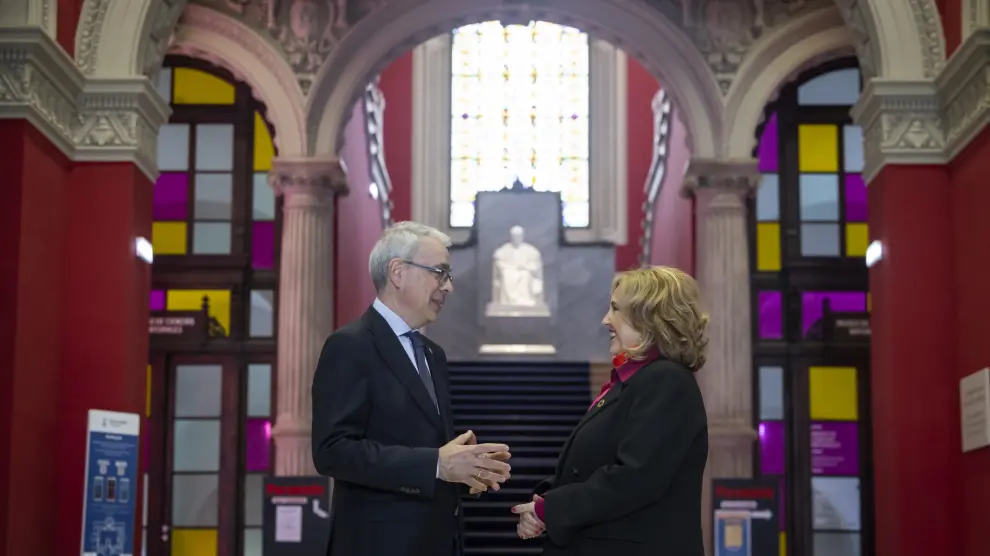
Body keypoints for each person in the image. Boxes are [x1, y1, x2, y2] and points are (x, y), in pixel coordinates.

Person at [312, 221, 512, 556]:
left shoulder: (433, 355)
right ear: (398, 272)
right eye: (439, 272)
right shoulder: (350, 346)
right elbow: (332, 451)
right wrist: (436, 464)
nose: (448, 287)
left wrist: (466, 468)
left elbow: (429, 448)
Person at [511, 266, 710, 556]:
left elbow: (635, 478)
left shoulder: (667, 381)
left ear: (649, 317)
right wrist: (545, 503)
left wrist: (550, 509)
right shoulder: (633, 382)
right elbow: (594, 466)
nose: (606, 320)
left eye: (616, 309)